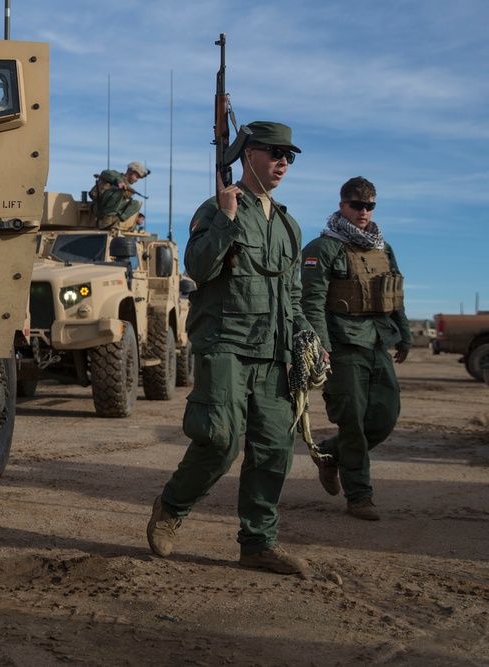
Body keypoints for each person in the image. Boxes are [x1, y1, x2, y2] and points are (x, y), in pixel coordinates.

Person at [146, 121, 314, 575]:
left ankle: (258, 544)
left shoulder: (288, 224)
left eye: (289, 156)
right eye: (274, 152)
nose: (283, 162)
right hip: (225, 345)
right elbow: (198, 268)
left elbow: (292, 294)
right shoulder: (215, 209)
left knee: (274, 449)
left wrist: (307, 336)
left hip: (274, 351)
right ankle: (171, 508)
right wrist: (225, 216)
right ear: (247, 155)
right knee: (220, 439)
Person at [299, 177, 411, 521]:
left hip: (378, 340)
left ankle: (330, 454)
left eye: (369, 205)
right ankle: (359, 496)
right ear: (342, 205)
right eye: (356, 205)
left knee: (385, 417)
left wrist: (404, 335)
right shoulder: (323, 248)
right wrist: (322, 347)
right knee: (353, 423)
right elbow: (311, 301)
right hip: (343, 346)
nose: (364, 212)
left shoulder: (382, 247)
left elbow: (395, 294)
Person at [90, 161, 149, 230]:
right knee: (118, 191)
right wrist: (119, 181)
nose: (137, 180)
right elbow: (104, 173)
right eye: (137, 176)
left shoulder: (128, 189)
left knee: (135, 204)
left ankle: (115, 220)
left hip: (113, 211)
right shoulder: (116, 175)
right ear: (130, 172)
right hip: (100, 206)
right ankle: (107, 220)